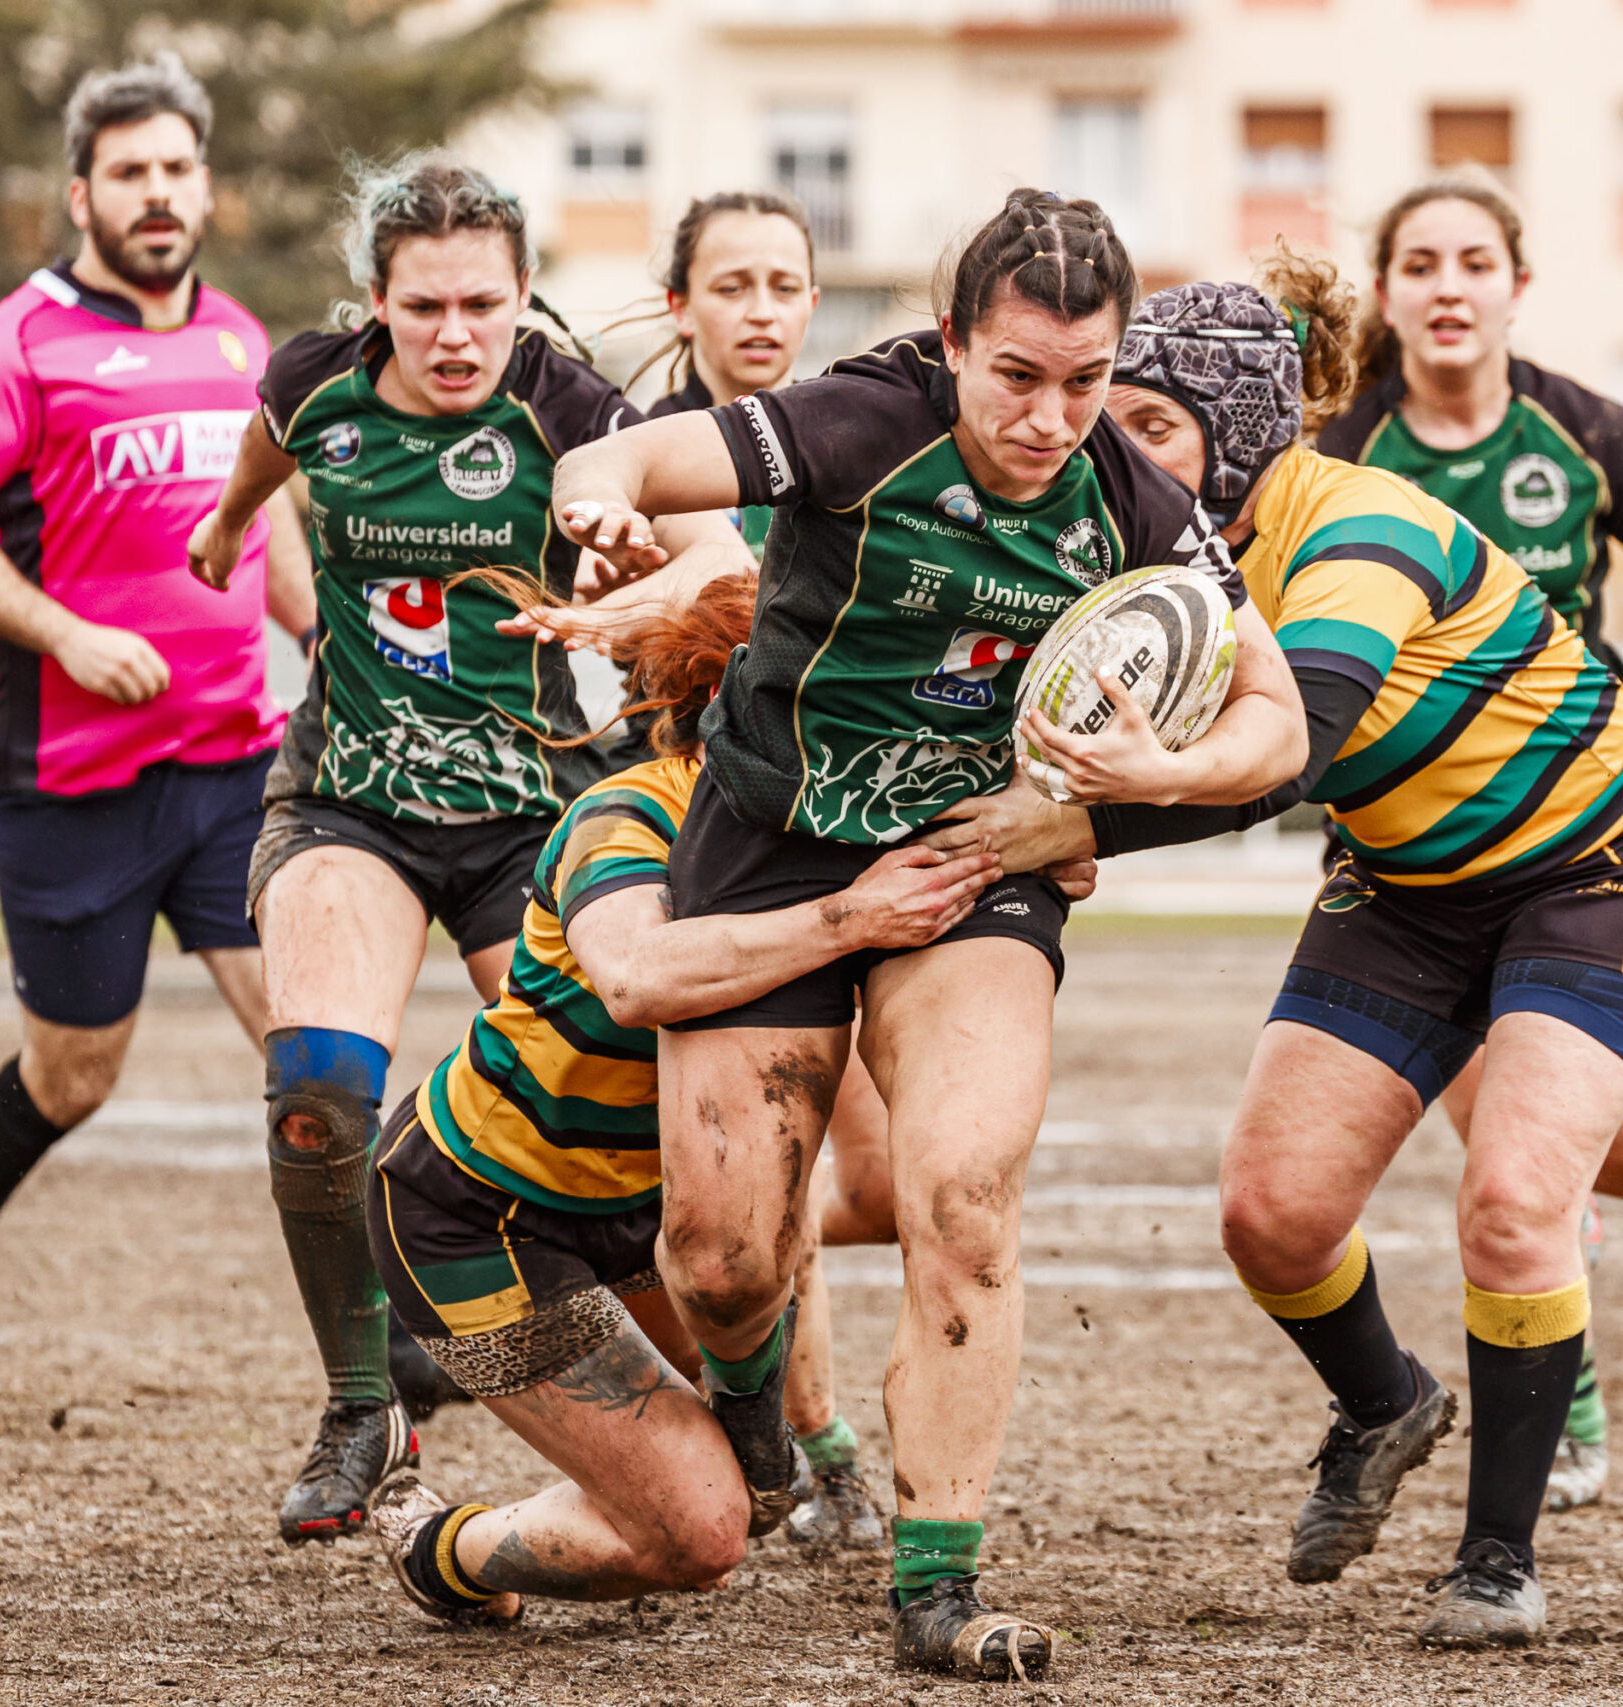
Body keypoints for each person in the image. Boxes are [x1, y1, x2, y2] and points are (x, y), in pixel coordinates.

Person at [544, 190, 1307, 1679]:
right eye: (1018, 376)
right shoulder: (858, 420)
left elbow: (1275, 721)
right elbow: (624, 448)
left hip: (972, 871)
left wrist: (1157, 779)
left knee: (962, 1198)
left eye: (1086, 383)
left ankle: (938, 1581)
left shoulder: (1134, 502)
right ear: (954, 340)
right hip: (773, 845)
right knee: (716, 1257)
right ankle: (761, 1411)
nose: (1051, 416)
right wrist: (599, 502)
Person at [931, 266, 1623, 1648]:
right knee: (1272, 1212)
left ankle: (1496, 1556)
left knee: (1522, 1196)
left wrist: (1084, 812)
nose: (1111, 450)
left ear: (1234, 436)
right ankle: (1383, 1399)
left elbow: (1299, 752)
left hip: (1599, 866)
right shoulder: (1146, 541)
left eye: (1149, 426)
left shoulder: (1357, 536)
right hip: (1413, 882)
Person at [185, 155, 752, 1545]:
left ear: (520, 300)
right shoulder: (316, 380)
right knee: (317, 1084)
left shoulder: (568, 405)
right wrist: (225, 528)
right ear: (375, 303)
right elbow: (264, 454)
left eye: (483, 304)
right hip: (350, 800)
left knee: (626, 1113)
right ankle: (360, 1401)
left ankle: (747, 1413)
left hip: (536, 818)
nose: (456, 334)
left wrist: (628, 593)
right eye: (426, 304)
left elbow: (725, 559)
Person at [363, 572, 1089, 1621]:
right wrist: (851, 918)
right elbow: (636, 976)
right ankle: (449, 1552)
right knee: (705, 1532)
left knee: (752, 1314)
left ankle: (784, 1455)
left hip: (654, 1211)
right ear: (748, 703)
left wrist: (1048, 841)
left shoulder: (844, 819)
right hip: (482, 1215)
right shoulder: (629, 814)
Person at [1315, 173, 1623, 1511]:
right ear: (1389, 291)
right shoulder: (1339, 447)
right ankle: (1550, 1349)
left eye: (1476, 260)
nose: (1449, 284)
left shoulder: (1586, 431)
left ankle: (1547, 1223)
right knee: (1514, 1152)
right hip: (1422, 850)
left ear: (1518, 286)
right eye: (1420, 262)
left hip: (1599, 829)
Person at [0, 56, 313, 1420]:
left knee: (315, 1042)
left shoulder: (245, 342)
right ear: (81, 194)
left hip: (239, 764)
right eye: (129, 172)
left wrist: (336, 650)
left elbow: (270, 527)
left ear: (208, 187)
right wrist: (65, 634)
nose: (157, 193)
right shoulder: (11, 344)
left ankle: (395, 1329)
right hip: (71, 780)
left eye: (178, 168)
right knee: (76, 1072)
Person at [628, 190, 882, 1551]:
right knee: (755, 1189)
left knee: (883, 1185)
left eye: (787, 283)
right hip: (697, 829)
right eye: (733, 284)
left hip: (849, 828)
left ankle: (724, 1335)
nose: (765, 309)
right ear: (685, 306)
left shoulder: (861, 431)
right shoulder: (645, 447)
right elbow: (724, 573)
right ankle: (814, 1439)